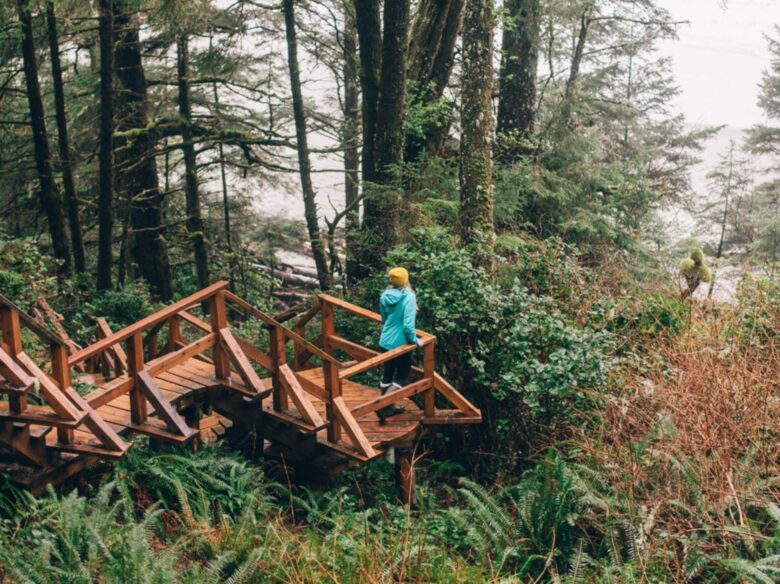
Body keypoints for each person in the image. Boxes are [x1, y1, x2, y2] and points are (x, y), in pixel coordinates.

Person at [376, 267, 423, 422]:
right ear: (406, 279)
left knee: (388, 373)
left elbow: (384, 318)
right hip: (400, 343)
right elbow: (408, 326)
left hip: (385, 340)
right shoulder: (409, 297)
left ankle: (389, 407)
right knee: (403, 376)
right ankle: (383, 406)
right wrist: (416, 341)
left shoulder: (385, 295)